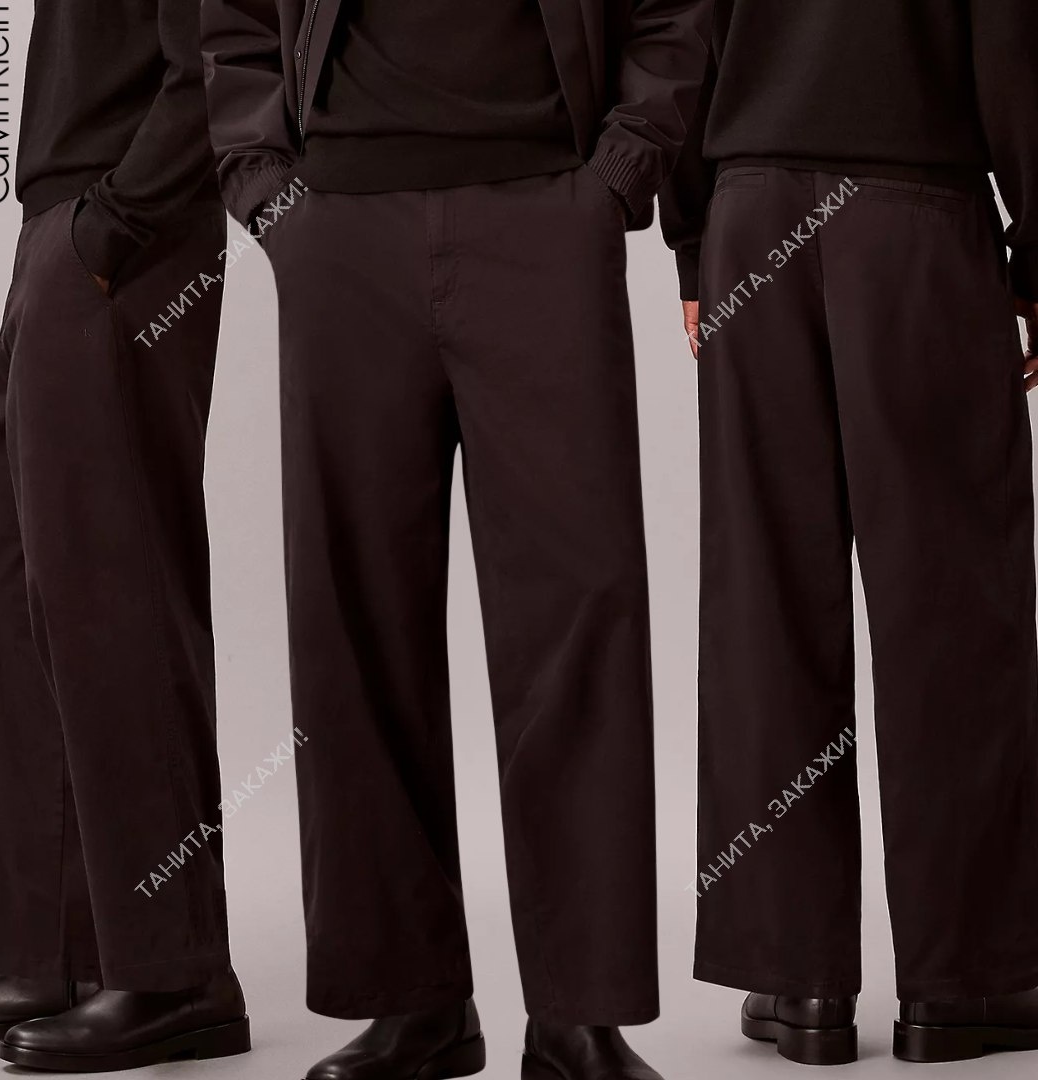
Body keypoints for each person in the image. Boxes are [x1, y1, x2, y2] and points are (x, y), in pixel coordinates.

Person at [201, 0, 711, 1076]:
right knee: (353, 622)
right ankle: (413, 1002)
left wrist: (618, 173)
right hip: (340, 221)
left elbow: (676, 12)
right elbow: (230, 18)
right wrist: (267, 187)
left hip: (546, 209)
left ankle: (579, 1013)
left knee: (579, 616)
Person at [660, 0, 1038, 1065]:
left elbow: (681, 27)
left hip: (750, 217)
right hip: (916, 217)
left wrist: (695, 237)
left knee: (767, 594)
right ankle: (968, 979)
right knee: (951, 601)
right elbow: (1012, 37)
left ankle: (799, 982)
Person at [0, 0, 249, 1071]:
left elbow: (215, 53)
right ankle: (57, 948)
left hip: (124, 230)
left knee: (113, 593)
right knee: (23, 587)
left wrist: (116, 221)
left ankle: (174, 970)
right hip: (63, 221)